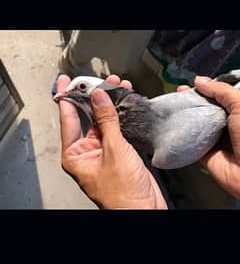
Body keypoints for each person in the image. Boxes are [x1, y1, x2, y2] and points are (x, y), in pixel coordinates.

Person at [56, 74, 240, 209]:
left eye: (81, 88)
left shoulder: (167, 155)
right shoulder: (154, 108)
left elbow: (222, 113)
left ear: (101, 94)